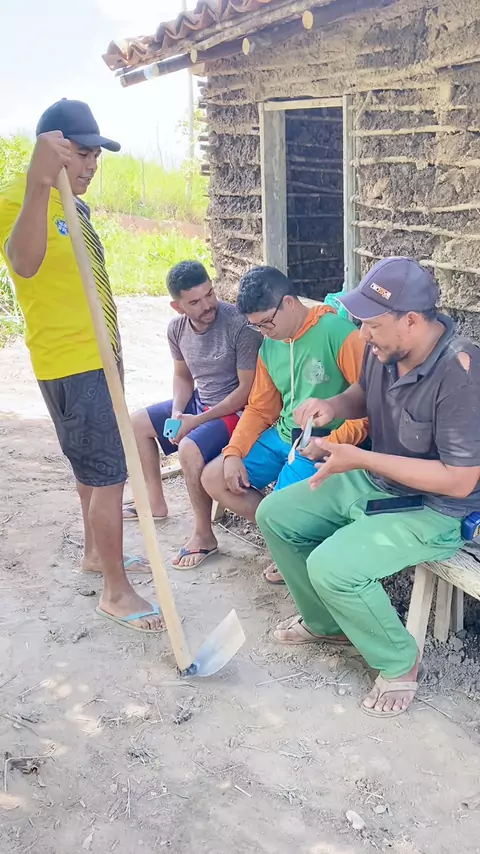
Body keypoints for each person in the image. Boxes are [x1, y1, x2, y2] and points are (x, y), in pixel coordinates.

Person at [255, 256, 480, 717]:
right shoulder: (384, 349)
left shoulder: (460, 372)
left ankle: (399, 662)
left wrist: (358, 457)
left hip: (435, 508)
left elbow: (459, 481)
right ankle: (326, 623)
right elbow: (362, 393)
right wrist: (332, 406)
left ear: (411, 320)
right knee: (274, 515)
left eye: (372, 325)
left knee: (332, 567)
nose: (362, 334)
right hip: (377, 478)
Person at [0, 99, 163, 633]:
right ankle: (116, 592)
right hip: (73, 362)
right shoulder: (20, 197)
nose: (92, 166)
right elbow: (23, 264)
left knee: (91, 471)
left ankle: (97, 555)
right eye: (83, 154)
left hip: (98, 355)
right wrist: (38, 182)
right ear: (55, 150)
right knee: (110, 476)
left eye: (97, 156)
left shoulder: (76, 206)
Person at [202, 265, 368, 583]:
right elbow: (260, 408)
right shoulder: (270, 346)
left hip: (326, 443)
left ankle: (290, 538)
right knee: (214, 477)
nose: (264, 332)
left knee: (278, 509)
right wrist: (234, 452)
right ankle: (288, 540)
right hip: (284, 436)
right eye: (256, 326)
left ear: (289, 303)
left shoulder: (339, 334)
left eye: (267, 322)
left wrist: (332, 442)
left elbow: (371, 408)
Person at [127, 260, 261, 568]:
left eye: (209, 294)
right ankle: (155, 503)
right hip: (201, 402)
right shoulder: (177, 329)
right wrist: (178, 413)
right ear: (178, 307)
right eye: (195, 302)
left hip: (236, 411)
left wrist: (195, 422)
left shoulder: (239, 326)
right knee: (137, 422)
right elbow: (183, 376)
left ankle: (204, 536)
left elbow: (245, 392)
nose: (207, 305)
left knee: (188, 447)